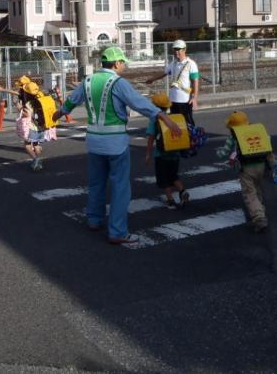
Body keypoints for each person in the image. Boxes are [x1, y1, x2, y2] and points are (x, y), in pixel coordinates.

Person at [52, 46, 182, 244]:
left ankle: (94, 220)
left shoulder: (88, 81)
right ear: (116, 63)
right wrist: (164, 117)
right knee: (120, 187)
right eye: (122, 62)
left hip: (94, 141)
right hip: (116, 143)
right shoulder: (118, 83)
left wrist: (59, 113)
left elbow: (71, 101)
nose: (124, 66)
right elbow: (139, 103)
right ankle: (118, 232)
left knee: (96, 182)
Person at [216, 110, 277, 233]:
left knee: (249, 192)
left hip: (246, 169)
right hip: (261, 165)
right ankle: (260, 208)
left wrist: (218, 152)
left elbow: (223, 153)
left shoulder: (233, 137)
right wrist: (273, 164)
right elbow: (268, 142)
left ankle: (259, 217)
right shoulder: (256, 131)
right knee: (257, 188)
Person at [145, 93, 188, 209]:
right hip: (174, 153)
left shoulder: (155, 120)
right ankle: (182, 191)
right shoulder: (173, 118)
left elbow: (150, 138)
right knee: (174, 176)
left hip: (161, 155)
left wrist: (148, 154)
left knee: (164, 179)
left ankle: (170, 199)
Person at [146, 39, 199, 125]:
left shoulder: (191, 64)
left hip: (185, 100)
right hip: (173, 100)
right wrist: (152, 79)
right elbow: (163, 73)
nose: (176, 52)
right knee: (176, 123)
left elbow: (195, 82)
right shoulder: (173, 63)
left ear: (184, 49)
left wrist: (194, 98)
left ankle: (191, 138)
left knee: (188, 124)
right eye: (175, 49)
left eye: (178, 49)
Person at [19, 81, 54, 171]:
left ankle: (36, 160)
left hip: (33, 128)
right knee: (36, 145)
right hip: (42, 127)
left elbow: (27, 115)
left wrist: (20, 109)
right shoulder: (42, 101)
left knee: (27, 145)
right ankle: (37, 161)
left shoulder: (28, 104)